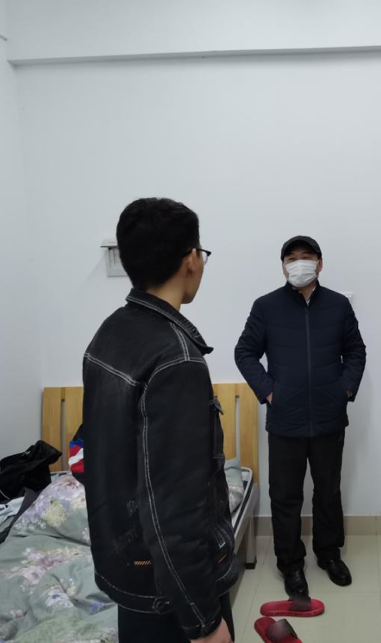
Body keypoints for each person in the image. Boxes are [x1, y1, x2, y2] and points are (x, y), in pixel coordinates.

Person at [81, 198, 236, 643]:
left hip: (128, 570)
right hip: (171, 594)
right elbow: (174, 511)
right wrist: (204, 622)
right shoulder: (176, 360)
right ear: (191, 260)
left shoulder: (110, 331)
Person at [235, 235, 367, 598]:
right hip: (285, 420)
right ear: (283, 267)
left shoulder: (338, 305)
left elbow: (356, 351)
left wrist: (345, 390)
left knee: (328, 491)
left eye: (306, 256)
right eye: (291, 258)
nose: (298, 263)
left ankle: (329, 554)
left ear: (320, 263)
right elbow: (245, 352)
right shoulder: (266, 306)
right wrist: (269, 391)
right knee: (285, 496)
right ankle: (290, 563)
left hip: (328, 417)